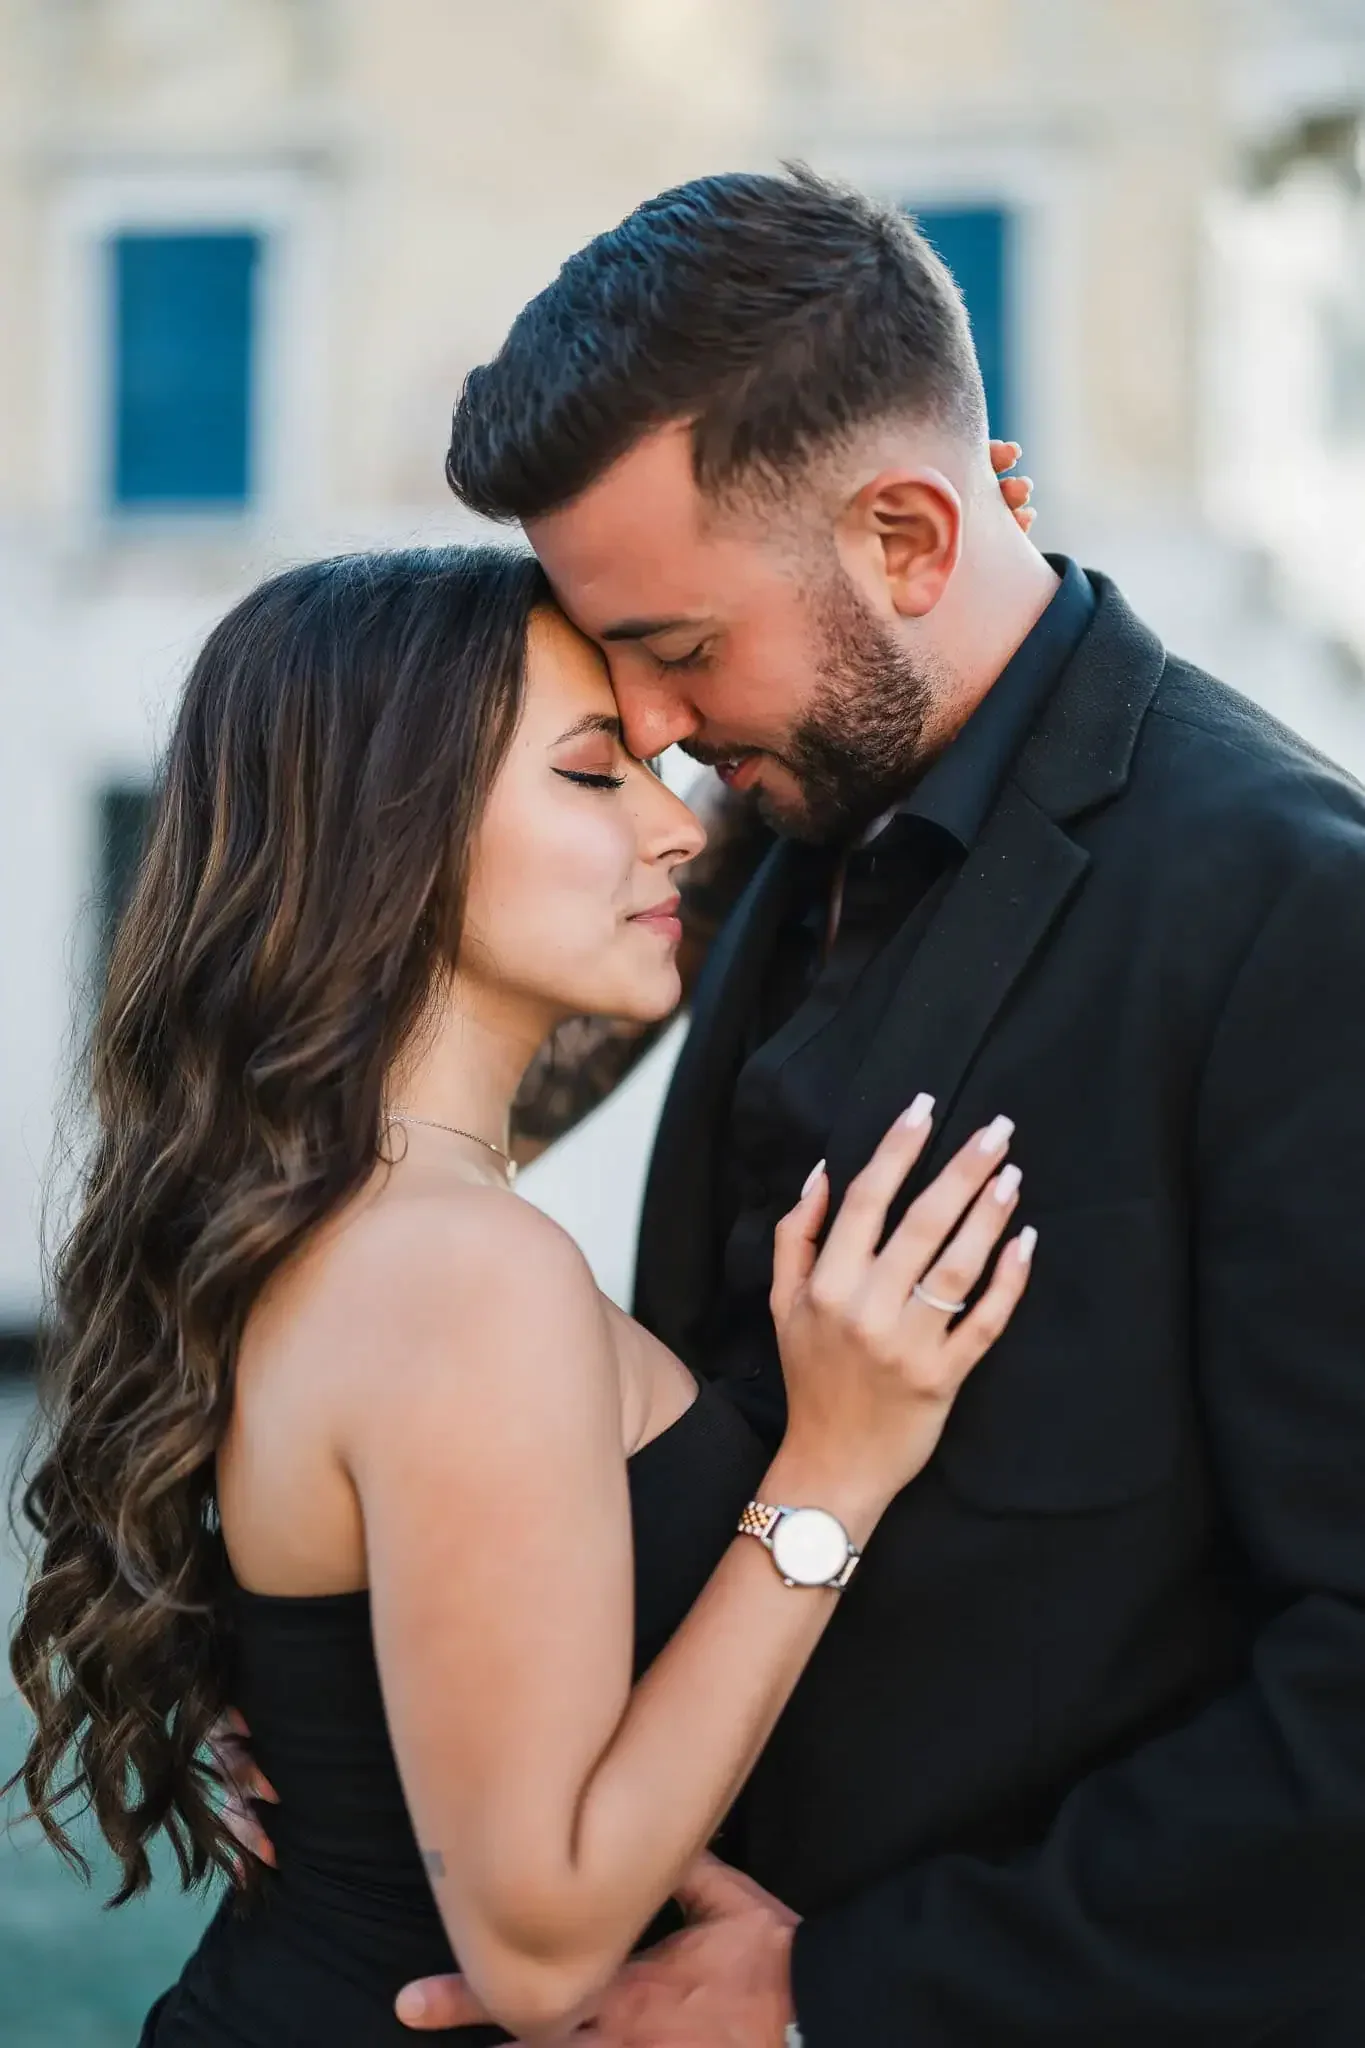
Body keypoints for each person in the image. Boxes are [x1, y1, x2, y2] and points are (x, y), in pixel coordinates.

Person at [386, 169, 1365, 2043]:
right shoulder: (772, 818)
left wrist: (845, 1992)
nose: (656, 730)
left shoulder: (1295, 912)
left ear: (912, 536)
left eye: (677, 647)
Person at [5, 544, 1036, 2046]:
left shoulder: (330, 1213)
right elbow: (540, 1946)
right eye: (592, 776)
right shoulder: (465, 1273)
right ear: (390, 834)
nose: (677, 831)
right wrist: (837, 1470)